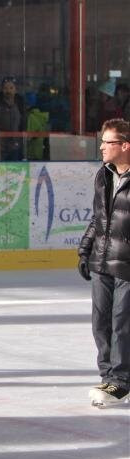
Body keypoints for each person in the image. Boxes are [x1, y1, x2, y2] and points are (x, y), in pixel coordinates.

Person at [79, 118, 130, 408]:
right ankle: (108, 376)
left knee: (122, 323)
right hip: (102, 261)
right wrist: (85, 249)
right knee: (101, 321)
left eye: (107, 142)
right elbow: (98, 218)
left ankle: (121, 383)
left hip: (127, 265)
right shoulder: (104, 175)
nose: (101, 147)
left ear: (124, 145)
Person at [0, 77, 26, 161]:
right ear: (2, 90)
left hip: (16, 146)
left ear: (15, 90)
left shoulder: (21, 103)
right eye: (5, 88)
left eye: (11, 88)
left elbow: (23, 122)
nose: (8, 91)